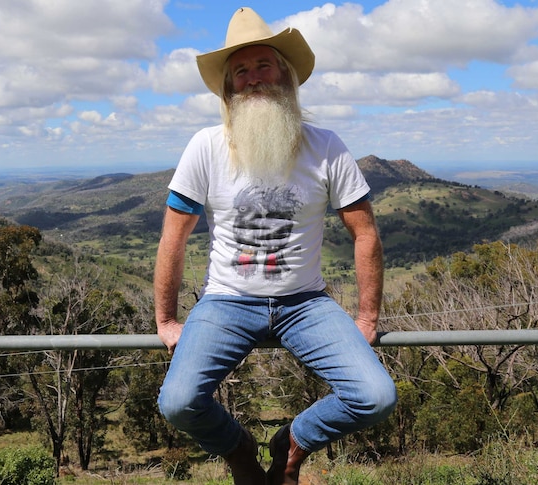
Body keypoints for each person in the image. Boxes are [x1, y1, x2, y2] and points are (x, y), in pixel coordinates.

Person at [154, 7, 398, 485]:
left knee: (376, 396)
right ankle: (240, 450)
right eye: (239, 71)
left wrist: (367, 318)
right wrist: (165, 319)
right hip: (225, 301)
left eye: (263, 65)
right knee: (178, 403)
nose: (252, 79)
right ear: (227, 88)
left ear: (286, 74)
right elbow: (173, 239)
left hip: (306, 303)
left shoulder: (326, 146)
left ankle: (292, 443)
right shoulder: (205, 146)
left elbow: (365, 233)